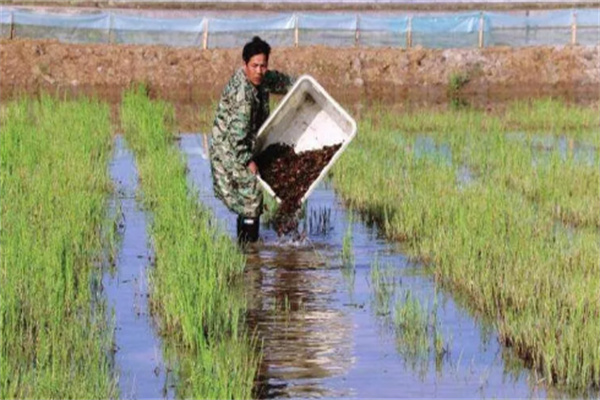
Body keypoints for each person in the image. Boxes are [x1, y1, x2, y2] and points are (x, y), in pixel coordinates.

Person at [209, 36, 295, 243]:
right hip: (228, 150)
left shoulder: (262, 78)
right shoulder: (243, 98)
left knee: (249, 198)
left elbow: (281, 82)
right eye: (254, 66)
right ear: (244, 65)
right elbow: (237, 139)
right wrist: (249, 161)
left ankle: (245, 248)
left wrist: (302, 86)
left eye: (263, 66)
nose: (259, 71)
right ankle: (248, 252)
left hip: (244, 144)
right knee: (251, 197)